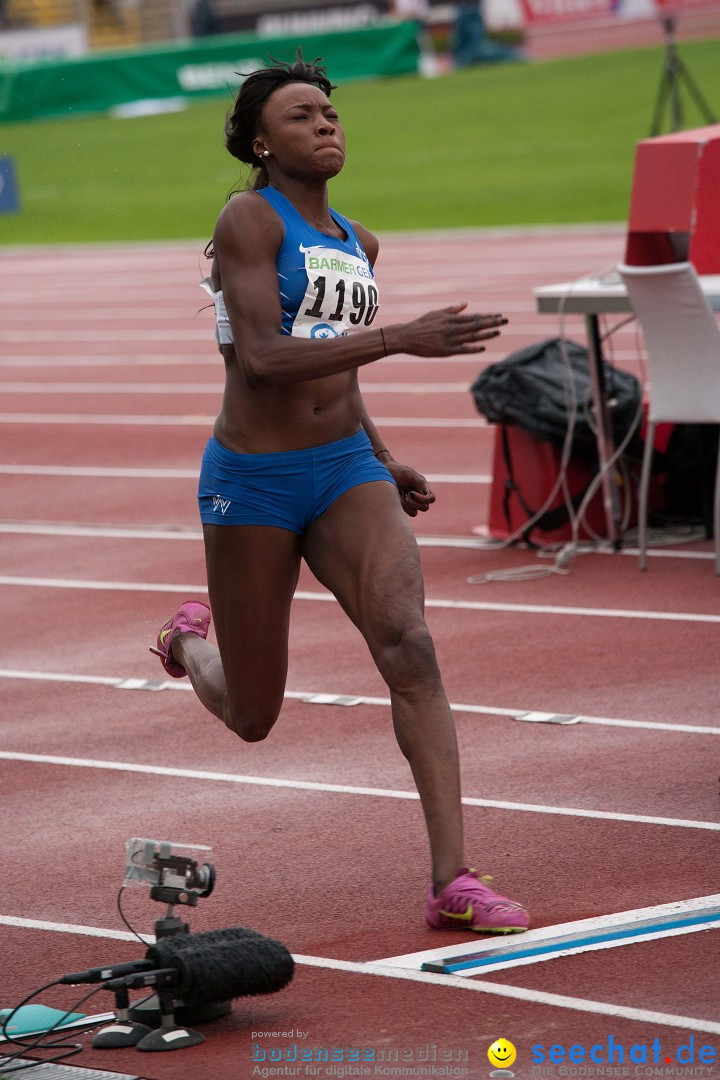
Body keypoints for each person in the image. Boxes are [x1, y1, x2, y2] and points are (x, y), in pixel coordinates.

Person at [150, 53, 528, 935]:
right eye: (301, 115)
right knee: (252, 715)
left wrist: (383, 453)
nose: (326, 124)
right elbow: (266, 360)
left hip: (344, 469)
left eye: (330, 111)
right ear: (258, 140)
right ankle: (187, 640)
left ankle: (453, 881)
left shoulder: (359, 241)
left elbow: (342, 366)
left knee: (410, 645)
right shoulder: (251, 219)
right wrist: (402, 336)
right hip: (254, 479)